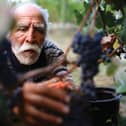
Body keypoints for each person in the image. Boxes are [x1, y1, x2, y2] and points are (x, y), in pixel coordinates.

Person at [0, 2, 74, 126]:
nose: (31, 38)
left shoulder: (52, 52)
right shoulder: (2, 52)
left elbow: (66, 81)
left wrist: (64, 85)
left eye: (39, 30)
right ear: (9, 34)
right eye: (22, 29)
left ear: (45, 34)